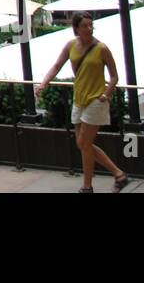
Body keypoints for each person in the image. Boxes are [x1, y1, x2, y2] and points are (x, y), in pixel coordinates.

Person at [36, 12, 130, 193]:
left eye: (90, 25)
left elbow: (114, 76)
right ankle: (119, 175)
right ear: (76, 29)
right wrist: (43, 84)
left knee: (84, 144)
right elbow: (57, 65)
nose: (89, 28)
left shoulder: (101, 48)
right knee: (82, 144)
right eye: (85, 26)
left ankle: (87, 187)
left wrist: (106, 94)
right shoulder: (71, 45)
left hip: (96, 100)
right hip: (79, 99)